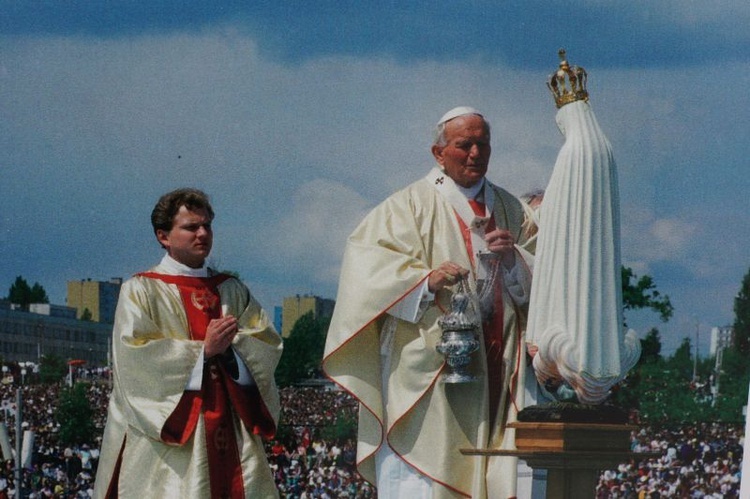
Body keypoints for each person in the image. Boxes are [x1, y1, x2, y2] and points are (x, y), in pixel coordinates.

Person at [323, 107, 533, 498]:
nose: (475, 153)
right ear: (438, 153)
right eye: (463, 145)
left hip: (500, 368)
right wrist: (423, 281)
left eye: (482, 144)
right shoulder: (406, 207)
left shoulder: (513, 209)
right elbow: (364, 271)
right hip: (431, 377)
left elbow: (547, 276)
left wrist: (514, 259)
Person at [94, 188, 282, 498]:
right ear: (163, 236)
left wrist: (232, 351)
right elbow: (135, 360)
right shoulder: (141, 290)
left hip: (230, 427)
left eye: (207, 225)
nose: (203, 233)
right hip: (172, 441)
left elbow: (265, 344)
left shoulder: (232, 289)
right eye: (191, 227)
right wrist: (202, 352)